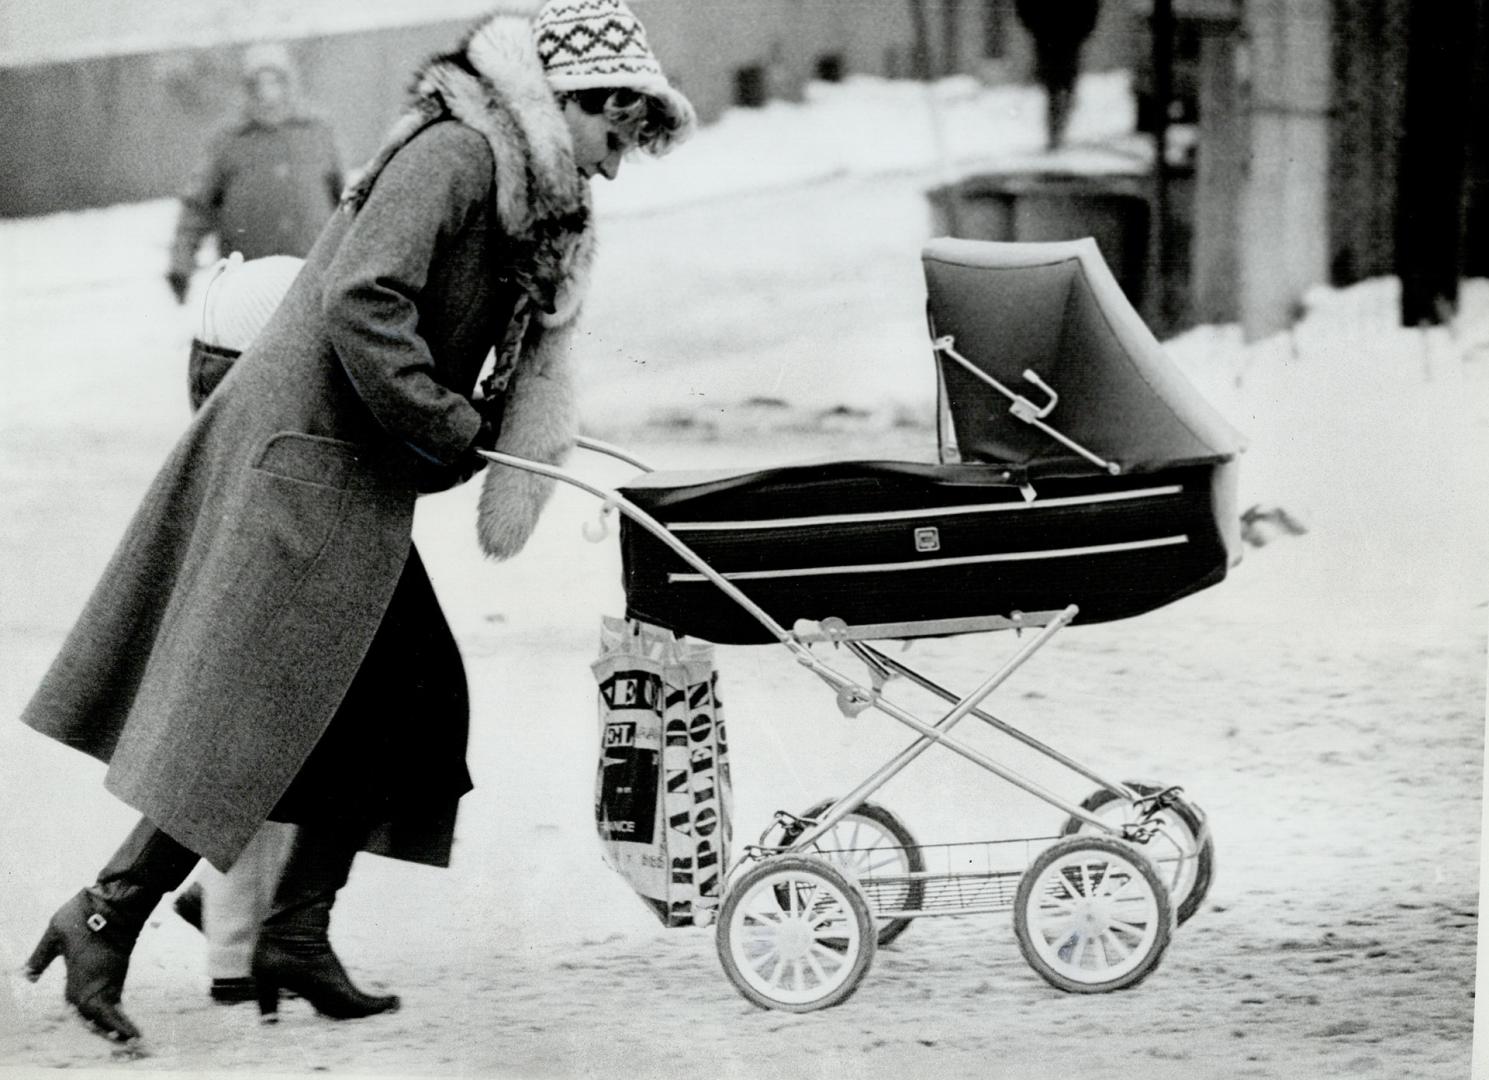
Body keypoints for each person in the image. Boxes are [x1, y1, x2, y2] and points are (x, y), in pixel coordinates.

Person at [21, 0, 695, 1047]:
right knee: (300, 705)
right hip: (306, 462)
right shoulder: (459, 152)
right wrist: (445, 420)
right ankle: (127, 914)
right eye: (613, 139)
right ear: (577, 103)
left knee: (375, 703)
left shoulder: (510, 176)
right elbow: (360, 298)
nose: (610, 169)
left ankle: (270, 928)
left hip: (343, 467)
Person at [166, 41, 343, 305]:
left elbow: (345, 204)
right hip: (248, 280)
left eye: (275, 81)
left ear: (289, 84)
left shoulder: (317, 131)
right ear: (248, 89)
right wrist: (182, 261)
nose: (268, 93)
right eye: (258, 84)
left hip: (311, 273)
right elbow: (198, 206)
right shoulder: (229, 139)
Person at [1014, 0, 1101, 151]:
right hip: (1048, 32)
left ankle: (1058, 130)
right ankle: (1056, 130)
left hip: (1069, 32)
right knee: (1054, 84)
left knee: (1062, 83)